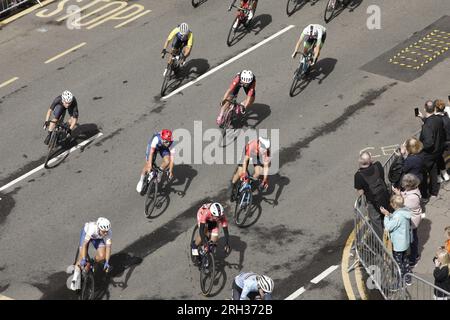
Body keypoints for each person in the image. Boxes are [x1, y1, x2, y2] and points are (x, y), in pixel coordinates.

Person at [354, 151, 390, 238]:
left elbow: (360, 192)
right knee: (386, 214)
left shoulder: (358, 175)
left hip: (373, 201)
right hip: (385, 195)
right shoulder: (377, 165)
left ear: (360, 161)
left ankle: (381, 242)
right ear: (370, 160)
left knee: (376, 220)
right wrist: (371, 160)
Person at [71, 217, 112, 290]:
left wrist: (107, 262)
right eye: (104, 231)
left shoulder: (108, 233)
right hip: (87, 234)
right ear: (99, 228)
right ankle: (75, 279)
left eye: (107, 231)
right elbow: (85, 244)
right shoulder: (92, 228)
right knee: (82, 259)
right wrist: (83, 258)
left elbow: (108, 248)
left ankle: (92, 263)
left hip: (97, 238)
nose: (106, 233)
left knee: (102, 256)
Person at [380, 195, 412, 287]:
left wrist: (386, 216)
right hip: (405, 242)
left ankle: (399, 281)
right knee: (405, 260)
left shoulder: (398, 216)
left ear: (394, 205)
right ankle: (408, 278)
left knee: (398, 264)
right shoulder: (405, 211)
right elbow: (396, 219)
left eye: (391, 203)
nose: (390, 204)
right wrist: (389, 214)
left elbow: (388, 227)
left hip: (398, 245)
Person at [392, 174, 422, 268]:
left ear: (408, 185)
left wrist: (398, 195)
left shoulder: (413, 197)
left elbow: (402, 205)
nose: (403, 185)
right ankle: (414, 255)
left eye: (404, 184)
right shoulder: (412, 190)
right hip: (412, 218)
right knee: (413, 237)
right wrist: (400, 194)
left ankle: (413, 259)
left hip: (412, 221)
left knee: (412, 240)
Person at [418, 100, 446, 200]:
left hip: (428, 154)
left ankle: (425, 196)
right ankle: (434, 192)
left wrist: (419, 147)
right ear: (434, 108)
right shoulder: (438, 119)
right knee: (433, 172)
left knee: (423, 176)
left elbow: (428, 143)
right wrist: (423, 118)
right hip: (437, 151)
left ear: (425, 109)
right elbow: (432, 124)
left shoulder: (426, 126)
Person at [136, 129, 174, 194]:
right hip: (154, 146)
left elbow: (172, 159)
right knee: (148, 164)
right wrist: (150, 165)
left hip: (163, 148)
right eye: (165, 141)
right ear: (162, 139)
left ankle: (159, 172)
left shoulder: (171, 143)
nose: (167, 143)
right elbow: (151, 153)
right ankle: (141, 180)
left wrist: (170, 170)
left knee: (167, 161)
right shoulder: (156, 139)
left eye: (168, 142)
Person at [433, 99, 450, 183]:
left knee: (437, 159)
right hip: (447, 142)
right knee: (440, 158)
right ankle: (445, 174)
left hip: (441, 143)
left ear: (436, 108)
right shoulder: (446, 116)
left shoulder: (437, 119)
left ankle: (439, 177)